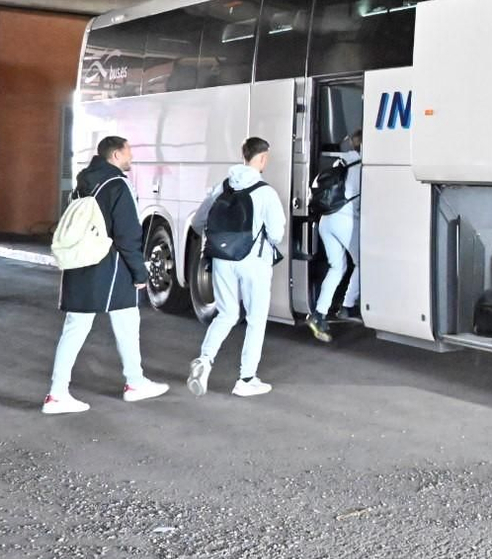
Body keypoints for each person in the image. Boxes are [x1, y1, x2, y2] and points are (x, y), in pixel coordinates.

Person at [44, 136, 169, 414]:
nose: (131, 157)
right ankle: (134, 383)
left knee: (77, 327)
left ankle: (58, 392)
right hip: (110, 266)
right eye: (128, 152)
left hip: (80, 261)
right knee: (126, 322)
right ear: (115, 155)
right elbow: (127, 235)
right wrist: (139, 272)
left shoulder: (83, 184)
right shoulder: (117, 185)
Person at [188, 137, 286, 398]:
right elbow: (276, 234)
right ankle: (246, 379)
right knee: (255, 319)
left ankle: (205, 360)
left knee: (227, 314)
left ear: (244, 155)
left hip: (222, 258)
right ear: (263, 158)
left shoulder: (223, 186)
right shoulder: (266, 192)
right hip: (253, 262)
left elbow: (199, 221)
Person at [309, 129, 362, 343]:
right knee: (363, 262)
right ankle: (347, 306)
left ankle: (319, 315)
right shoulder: (362, 166)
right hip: (345, 220)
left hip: (326, 219)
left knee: (337, 267)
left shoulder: (340, 161)